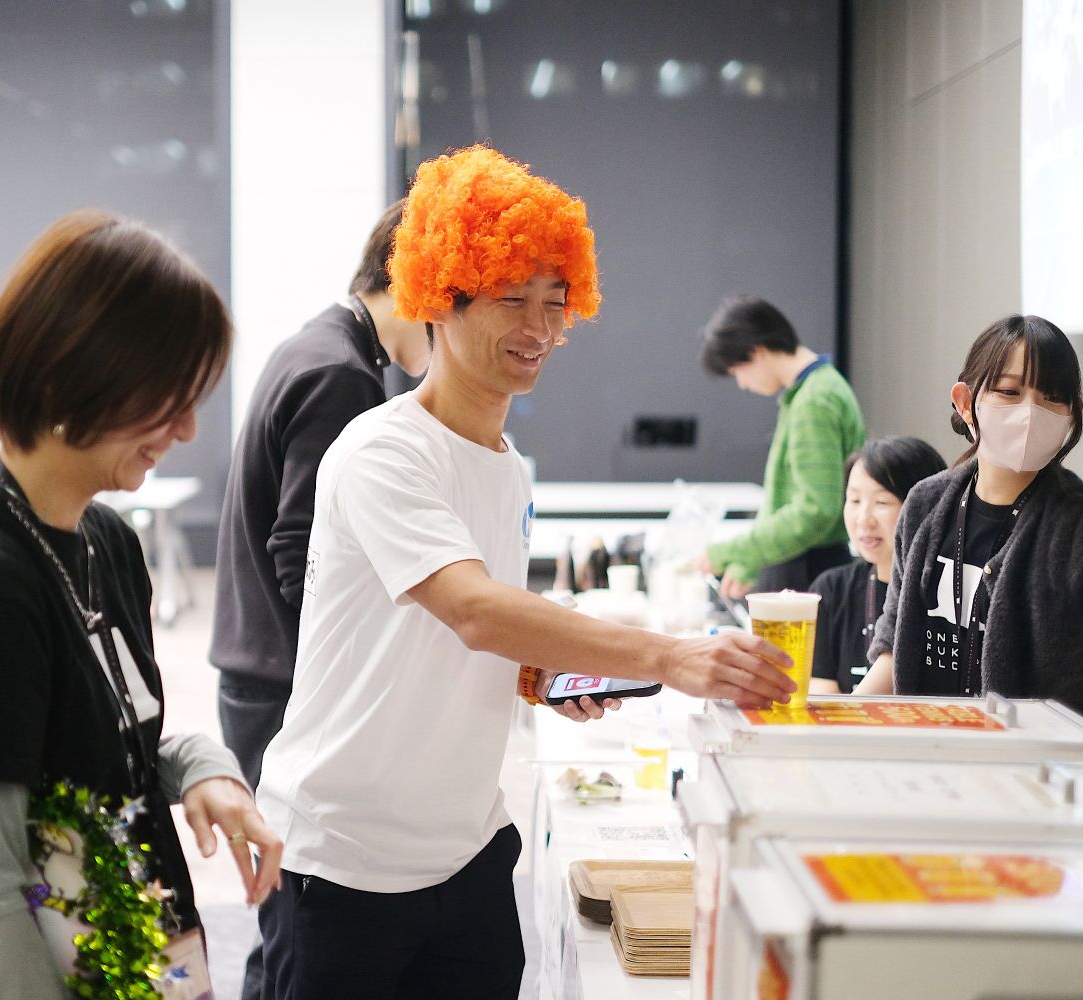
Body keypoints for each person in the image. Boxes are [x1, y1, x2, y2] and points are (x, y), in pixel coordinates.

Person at [254, 146, 793, 1000]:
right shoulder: (382, 449)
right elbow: (471, 608)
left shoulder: (507, 468)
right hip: (345, 863)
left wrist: (536, 671)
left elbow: (461, 632)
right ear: (441, 298)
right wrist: (667, 655)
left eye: (555, 301)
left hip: (466, 852)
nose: (539, 328)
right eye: (512, 299)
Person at [0, 210, 283, 998]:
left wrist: (202, 766)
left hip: (132, 949)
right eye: (165, 398)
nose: (187, 428)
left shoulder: (106, 541)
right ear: (69, 379)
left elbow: (98, 748)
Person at [210, 200, 431, 1000]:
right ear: (412, 284)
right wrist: (349, 676)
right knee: (297, 916)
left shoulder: (320, 345)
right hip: (282, 683)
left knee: (286, 913)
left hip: (260, 672)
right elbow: (301, 553)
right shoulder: (341, 372)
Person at [858, 315, 1083, 738]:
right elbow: (895, 643)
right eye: (1009, 391)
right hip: (938, 755)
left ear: (1070, 417)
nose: (1031, 412)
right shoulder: (925, 504)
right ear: (965, 402)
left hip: (1056, 766)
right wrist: (843, 720)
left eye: (1053, 397)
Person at [695, 296, 866, 599]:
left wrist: (731, 551)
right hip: (805, 561)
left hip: (810, 568)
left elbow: (816, 510)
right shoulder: (814, 391)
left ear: (757, 351)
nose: (742, 384)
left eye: (737, 370)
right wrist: (751, 561)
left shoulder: (815, 400)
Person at [807, 436, 946, 694]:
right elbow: (822, 695)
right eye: (854, 500)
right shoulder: (832, 590)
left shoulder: (948, 594)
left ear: (926, 506)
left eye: (882, 502)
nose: (863, 520)